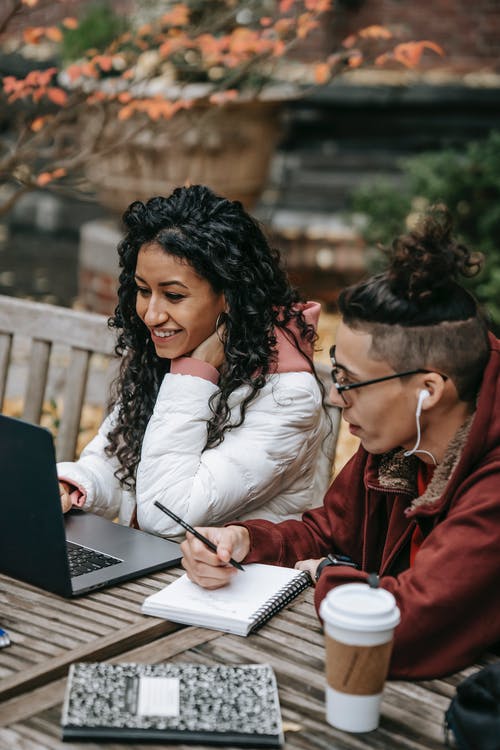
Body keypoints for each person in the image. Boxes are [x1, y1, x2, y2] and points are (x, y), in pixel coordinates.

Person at [180, 207, 500, 680]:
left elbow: (401, 626)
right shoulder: (402, 437)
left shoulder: (491, 483)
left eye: (350, 381)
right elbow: (329, 530)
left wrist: (325, 572)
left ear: (428, 390)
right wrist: (245, 540)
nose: (334, 395)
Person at [57, 185, 332, 539]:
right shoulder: (168, 352)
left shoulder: (288, 394)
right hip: (154, 568)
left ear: (230, 296)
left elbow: (168, 515)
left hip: (230, 583)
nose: (152, 314)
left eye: (173, 295)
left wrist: (193, 374)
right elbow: (116, 466)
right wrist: (72, 486)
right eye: (143, 290)